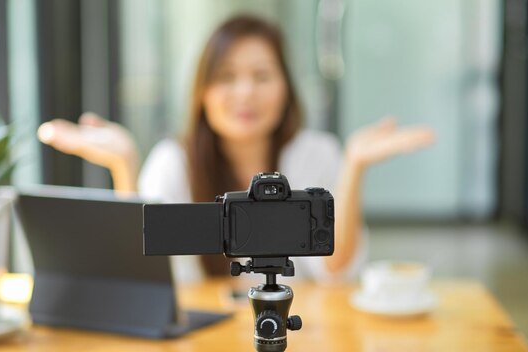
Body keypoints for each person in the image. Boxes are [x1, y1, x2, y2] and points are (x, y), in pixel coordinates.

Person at [37, 15, 435, 284]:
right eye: (227, 77)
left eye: (262, 76)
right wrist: (123, 166)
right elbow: (148, 283)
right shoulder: (172, 162)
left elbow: (337, 272)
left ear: (286, 88)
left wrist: (353, 165)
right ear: (203, 92)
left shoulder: (316, 153)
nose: (245, 92)